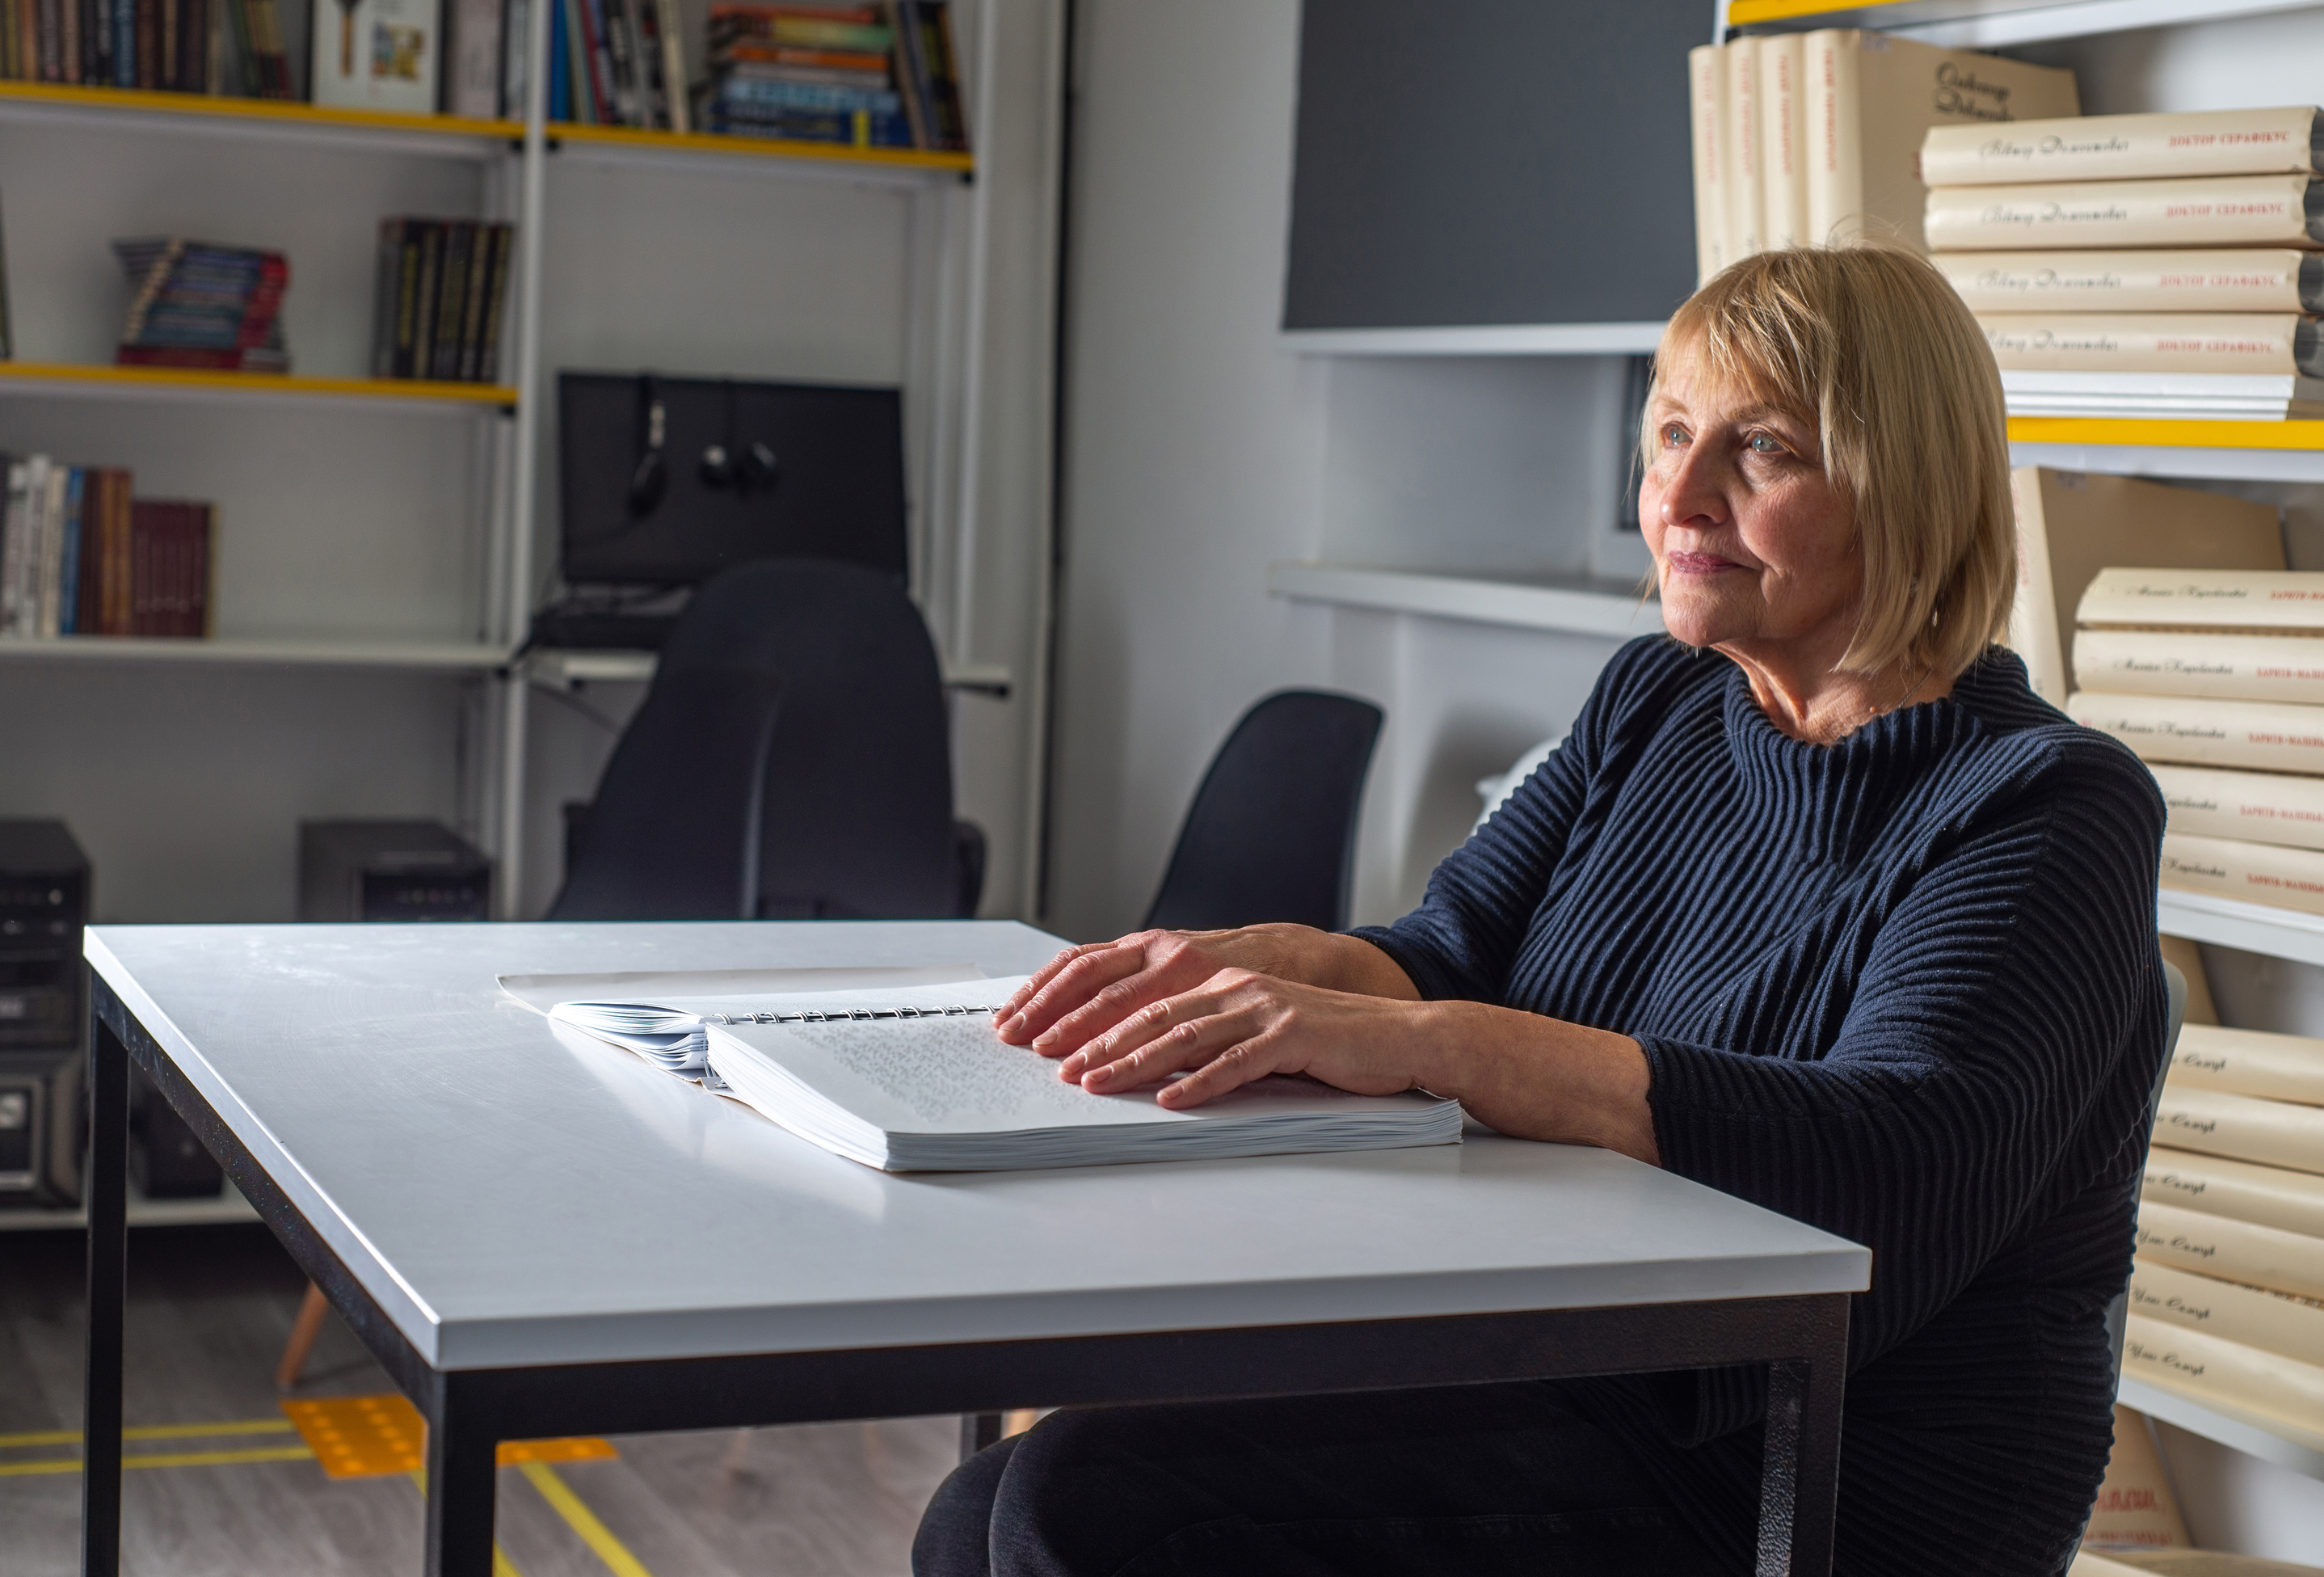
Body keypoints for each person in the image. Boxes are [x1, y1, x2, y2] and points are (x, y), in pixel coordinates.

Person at [914, 246, 2168, 1577]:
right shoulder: (1659, 704)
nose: (1679, 498)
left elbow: (1884, 1174)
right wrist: (1277, 969)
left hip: (1825, 1473)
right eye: (1671, 434)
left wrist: (1434, 1042)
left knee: (1090, 1501)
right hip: (1584, 1355)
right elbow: (1446, 954)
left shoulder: (2044, 806)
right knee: (980, 1504)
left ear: (1904, 488)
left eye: (1762, 453)